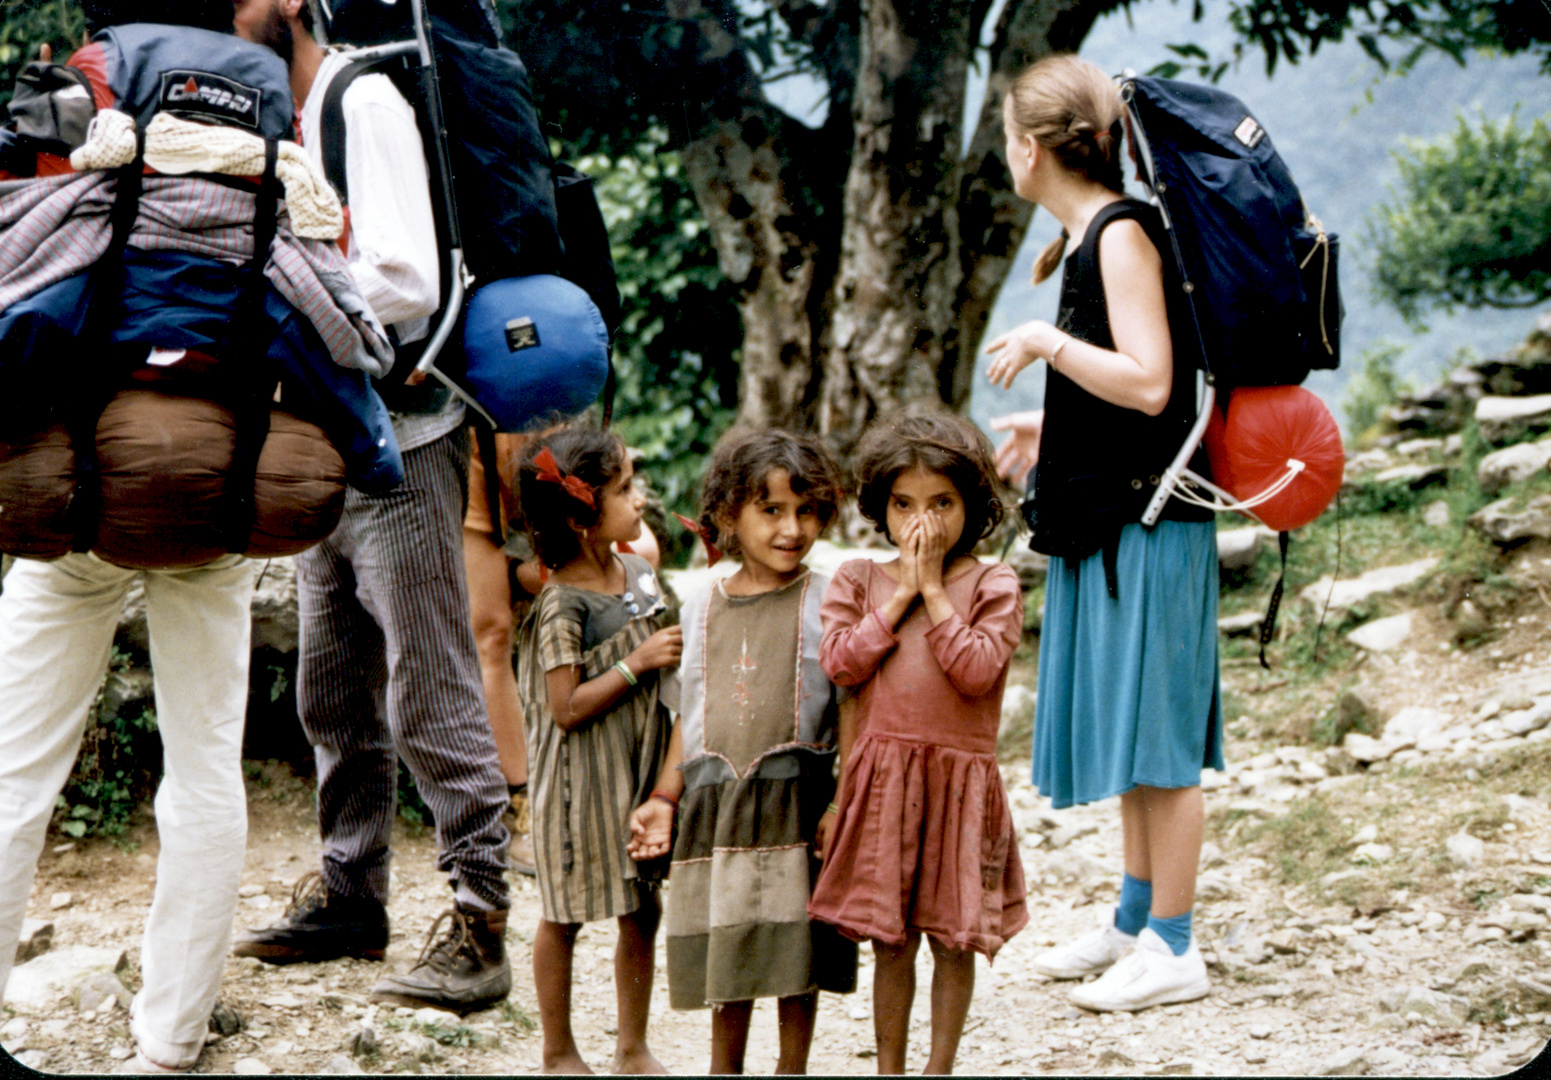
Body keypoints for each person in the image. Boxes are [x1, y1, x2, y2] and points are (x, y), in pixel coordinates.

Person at [0, 1, 291, 1072]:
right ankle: (170, 1040)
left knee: (12, 771)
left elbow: (21, 238)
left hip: (76, 473)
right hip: (213, 476)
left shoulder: (92, 71)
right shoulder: (274, 99)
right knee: (206, 768)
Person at [229, 0, 514, 1015]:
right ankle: (353, 896)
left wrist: (273, 299)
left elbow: (406, 276)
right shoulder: (274, 118)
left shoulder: (362, 100)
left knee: (428, 689)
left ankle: (480, 924)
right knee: (332, 688)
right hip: (322, 443)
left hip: (404, 439)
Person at [984, 54, 1224, 1013]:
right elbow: (1129, 387)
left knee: (1158, 741)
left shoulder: (1119, 236)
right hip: (1118, 513)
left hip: (1153, 523)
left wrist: (1045, 344)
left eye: (1008, 135)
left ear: (1031, 148)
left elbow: (1153, 382)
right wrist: (1054, 424)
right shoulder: (1097, 236)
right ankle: (1133, 922)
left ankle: (1174, 944)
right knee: (1134, 732)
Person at [627, 429, 857, 1075]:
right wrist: (664, 796)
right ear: (729, 513)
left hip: (795, 797)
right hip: (720, 806)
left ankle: (791, 1068)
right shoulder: (701, 603)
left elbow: (848, 708)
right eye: (772, 510)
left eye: (806, 510)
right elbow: (690, 715)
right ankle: (722, 1069)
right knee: (730, 947)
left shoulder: (827, 598)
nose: (792, 528)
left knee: (794, 950)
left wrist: (841, 802)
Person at [807, 411, 1027, 1076]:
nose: (920, 524)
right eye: (903, 505)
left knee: (952, 940)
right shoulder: (858, 579)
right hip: (884, 782)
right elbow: (840, 664)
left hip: (959, 784)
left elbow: (976, 670)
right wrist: (901, 591)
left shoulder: (993, 584)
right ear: (881, 507)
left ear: (973, 506)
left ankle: (938, 1069)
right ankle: (890, 1069)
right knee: (890, 940)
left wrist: (932, 590)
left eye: (941, 504)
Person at [513, 425, 678, 1075]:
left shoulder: (638, 574)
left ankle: (631, 1047)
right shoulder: (561, 603)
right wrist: (635, 663)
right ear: (583, 516)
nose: (639, 501)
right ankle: (558, 1051)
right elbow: (565, 707)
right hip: (580, 785)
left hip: (634, 776)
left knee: (640, 907)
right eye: (623, 490)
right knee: (565, 916)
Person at [463, 432, 661, 879]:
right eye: (628, 490)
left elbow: (643, 554)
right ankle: (520, 802)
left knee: (639, 557)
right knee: (491, 631)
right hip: (474, 432)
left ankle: (519, 574)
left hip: (543, 408)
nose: (639, 499)